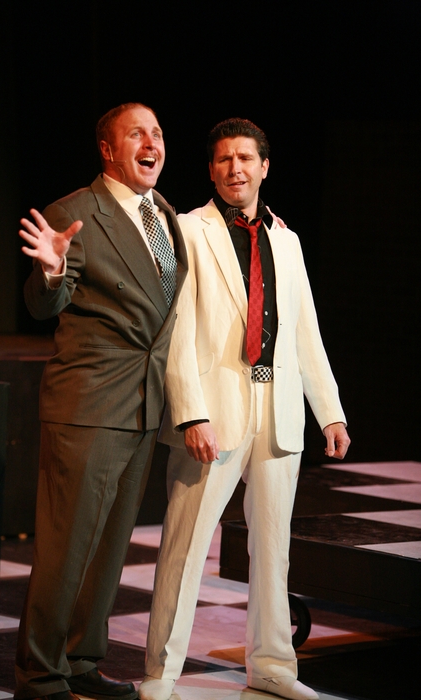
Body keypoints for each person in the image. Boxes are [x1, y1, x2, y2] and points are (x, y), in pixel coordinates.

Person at [138, 118, 350, 700]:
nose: (236, 168)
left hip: (277, 406)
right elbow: (175, 330)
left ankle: (273, 666)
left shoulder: (286, 239)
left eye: (246, 158)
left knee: (273, 548)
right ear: (211, 170)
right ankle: (160, 672)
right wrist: (190, 412)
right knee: (185, 546)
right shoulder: (188, 229)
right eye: (224, 159)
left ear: (264, 167)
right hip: (213, 408)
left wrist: (330, 411)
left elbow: (306, 331)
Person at [14, 103, 188, 700]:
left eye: (157, 133)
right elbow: (45, 303)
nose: (151, 143)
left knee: (110, 549)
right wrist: (52, 271)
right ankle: (40, 675)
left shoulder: (165, 214)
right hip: (89, 405)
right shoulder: (76, 212)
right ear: (108, 150)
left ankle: (81, 659)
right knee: (67, 548)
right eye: (137, 133)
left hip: (143, 405)